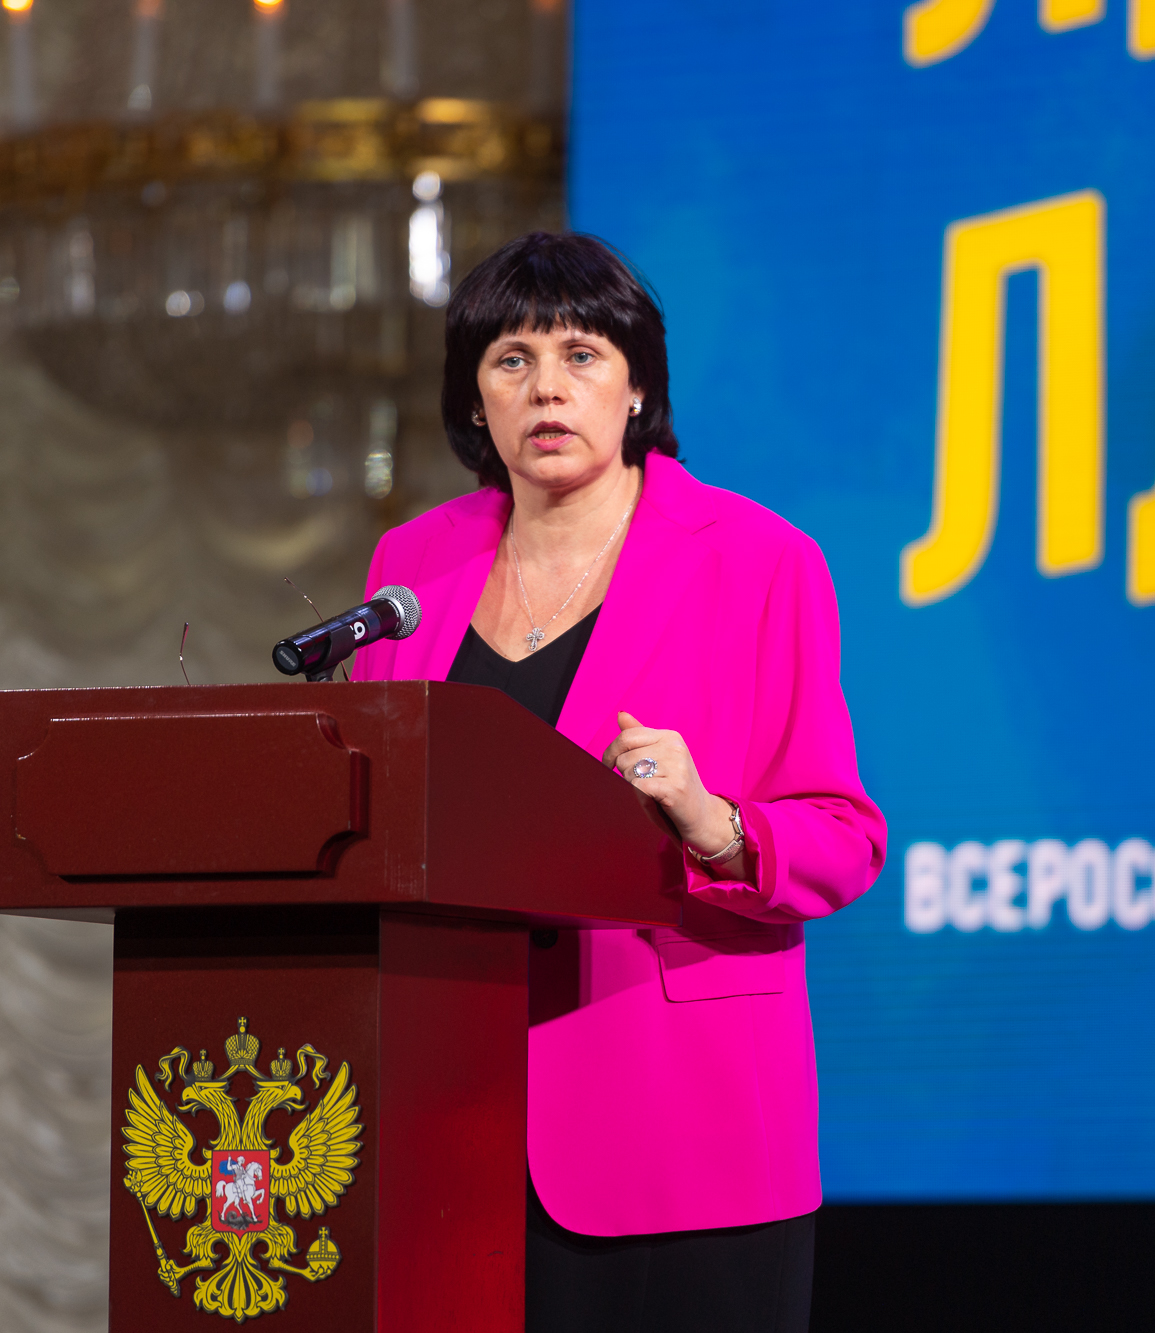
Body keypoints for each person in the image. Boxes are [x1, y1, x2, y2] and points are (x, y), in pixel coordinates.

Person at [349, 231, 886, 1332]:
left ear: (637, 386)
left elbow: (843, 837)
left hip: (681, 1123)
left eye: (581, 354)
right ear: (475, 399)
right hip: (447, 1113)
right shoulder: (412, 566)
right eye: (511, 359)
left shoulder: (758, 560)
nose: (546, 387)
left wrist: (711, 819)